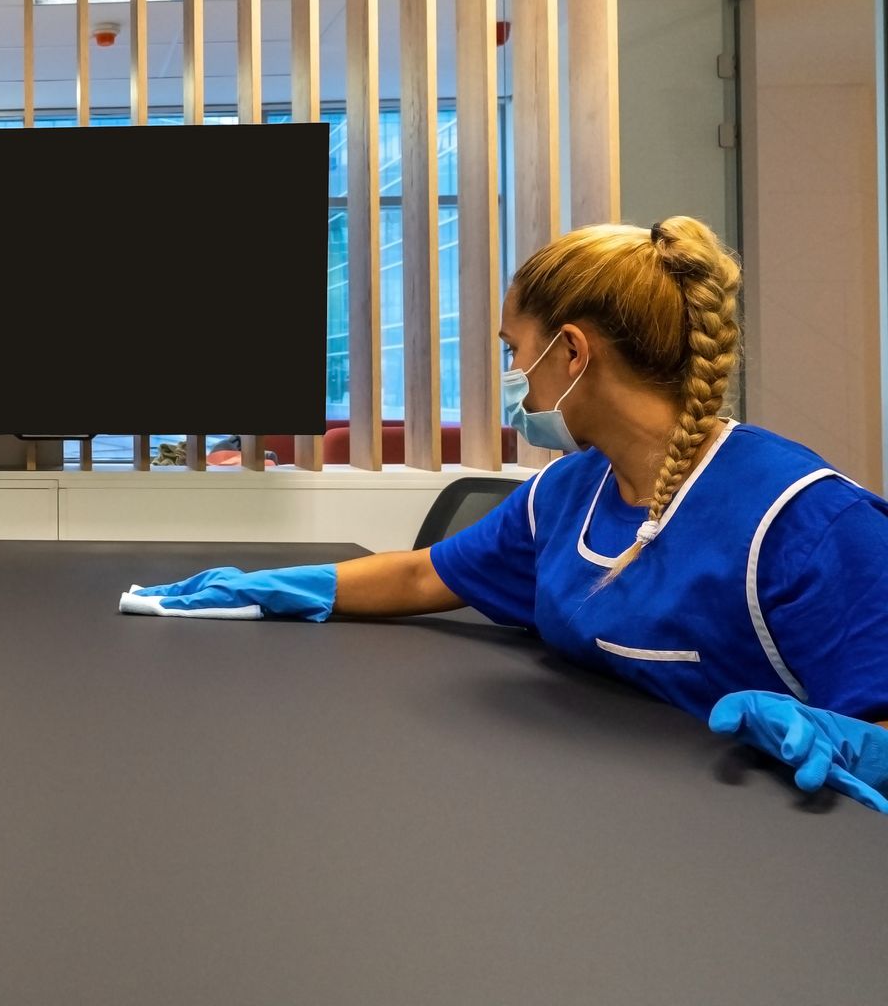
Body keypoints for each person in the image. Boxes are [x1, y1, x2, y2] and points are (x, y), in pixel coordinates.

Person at [131, 217, 888, 812]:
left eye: (514, 350)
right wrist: (276, 589)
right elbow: (424, 576)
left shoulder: (810, 523)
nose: (514, 375)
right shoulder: (568, 492)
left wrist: (849, 739)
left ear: (572, 353)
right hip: (598, 811)